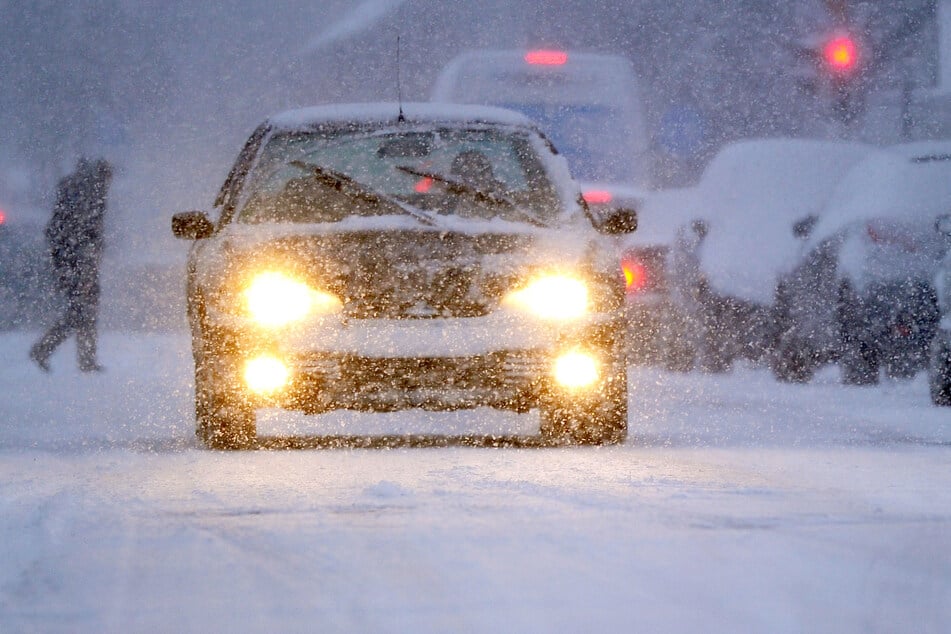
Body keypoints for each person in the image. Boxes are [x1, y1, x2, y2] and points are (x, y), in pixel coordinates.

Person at [30, 157, 113, 372]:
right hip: (78, 262)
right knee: (82, 311)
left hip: (73, 261)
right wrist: (86, 263)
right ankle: (48, 350)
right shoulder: (92, 196)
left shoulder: (81, 194)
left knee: (83, 311)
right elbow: (88, 232)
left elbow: (77, 232)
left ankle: (81, 357)